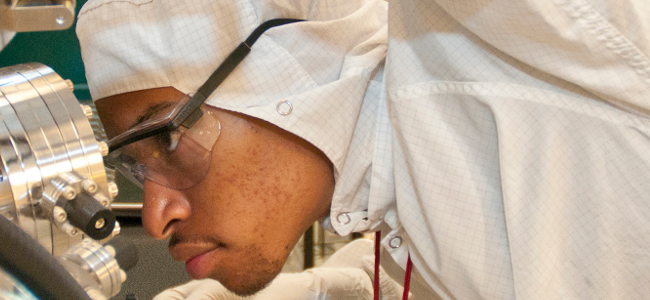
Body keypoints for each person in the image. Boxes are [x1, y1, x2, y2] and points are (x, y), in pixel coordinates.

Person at [76, 0, 650, 299]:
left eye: (169, 138)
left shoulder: (515, 37)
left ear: (276, 65)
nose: (155, 218)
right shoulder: (392, 178)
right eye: (135, 166)